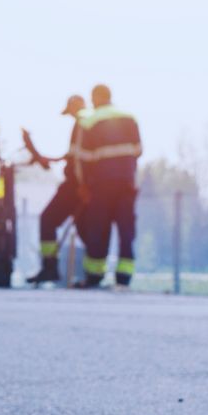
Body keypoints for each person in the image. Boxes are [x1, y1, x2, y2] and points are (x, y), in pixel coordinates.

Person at [75, 83, 142, 289]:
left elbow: (82, 159)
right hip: (126, 183)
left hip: (101, 185)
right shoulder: (129, 117)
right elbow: (138, 150)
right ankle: (124, 277)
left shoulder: (89, 121)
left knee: (98, 229)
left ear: (95, 97)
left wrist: (83, 185)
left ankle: (95, 275)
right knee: (126, 230)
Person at [27, 94, 87, 284]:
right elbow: (73, 156)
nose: (71, 115)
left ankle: (50, 267)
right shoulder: (85, 125)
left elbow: (78, 159)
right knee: (85, 228)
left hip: (76, 186)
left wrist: (81, 184)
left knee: (48, 219)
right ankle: (91, 274)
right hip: (82, 184)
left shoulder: (82, 124)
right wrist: (52, 159)